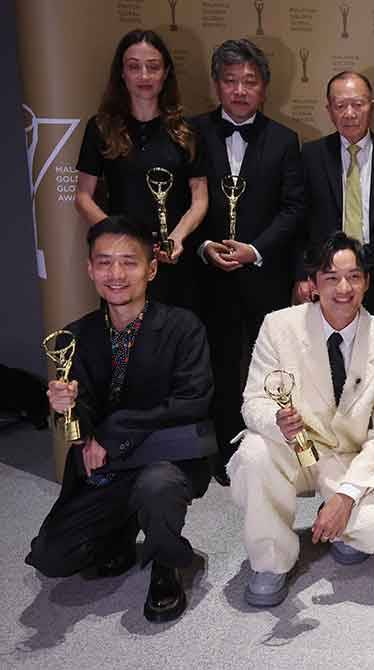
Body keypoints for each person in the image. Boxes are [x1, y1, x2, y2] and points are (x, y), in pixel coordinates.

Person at [26, 215, 216, 624]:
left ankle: (167, 563)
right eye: (104, 262)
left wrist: (113, 433)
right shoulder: (72, 337)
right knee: (51, 557)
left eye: (129, 262)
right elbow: (80, 424)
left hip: (169, 458)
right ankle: (122, 528)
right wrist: (66, 409)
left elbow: (193, 401)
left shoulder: (183, 327)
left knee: (157, 486)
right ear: (90, 269)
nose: (116, 274)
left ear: (150, 269)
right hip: (110, 465)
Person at [228, 232, 374, 608]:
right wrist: (275, 421)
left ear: (367, 281)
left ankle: (343, 524)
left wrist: (347, 496)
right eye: (330, 278)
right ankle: (271, 560)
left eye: (354, 277)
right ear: (312, 284)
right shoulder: (277, 326)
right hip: (293, 447)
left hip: (347, 456)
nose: (343, 288)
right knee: (252, 454)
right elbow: (253, 402)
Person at [190, 39, 305, 485]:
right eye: (231, 81)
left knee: (270, 367)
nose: (239, 90)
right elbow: (182, 202)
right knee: (215, 364)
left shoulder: (284, 139)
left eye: (249, 82)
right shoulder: (191, 132)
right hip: (207, 274)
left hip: (264, 274)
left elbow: (294, 209)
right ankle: (220, 450)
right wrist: (203, 247)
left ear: (264, 88)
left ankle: (269, 449)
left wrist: (254, 250)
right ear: (218, 85)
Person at [74, 29, 208, 310]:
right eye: (134, 67)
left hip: (175, 263)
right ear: (122, 73)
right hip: (124, 266)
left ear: (166, 72)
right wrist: (123, 240)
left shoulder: (188, 131)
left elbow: (199, 199)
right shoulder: (100, 128)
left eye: (153, 67)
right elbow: (83, 198)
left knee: (177, 343)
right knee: (126, 346)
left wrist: (176, 238)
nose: (144, 76)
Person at [299, 70, 374, 330]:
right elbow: (299, 220)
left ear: (371, 107)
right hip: (327, 273)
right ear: (329, 110)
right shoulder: (310, 156)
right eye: (340, 106)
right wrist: (304, 274)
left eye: (358, 104)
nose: (350, 113)